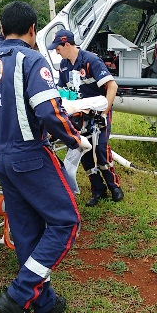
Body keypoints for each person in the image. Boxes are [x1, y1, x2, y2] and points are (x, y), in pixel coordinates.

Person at [0, 1, 91, 313]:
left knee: (26, 232)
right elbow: (50, 112)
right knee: (67, 221)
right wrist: (75, 140)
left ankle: (44, 302)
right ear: (33, 29)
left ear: (2, 29)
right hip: (30, 154)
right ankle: (20, 294)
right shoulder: (32, 60)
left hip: (1, 158)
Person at [50, 29, 124, 207]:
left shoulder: (90, 61)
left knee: (101, 148)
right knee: (83, 149)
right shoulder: (64, 66)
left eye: (58, 48)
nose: (56, 52)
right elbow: (62, 91)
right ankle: (97, 189)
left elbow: (112, 86)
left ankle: (114, 186)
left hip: (99, 112)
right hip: (79, 113)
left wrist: (104, 113)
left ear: (67, 44)